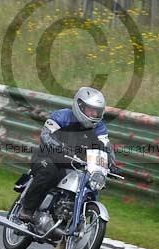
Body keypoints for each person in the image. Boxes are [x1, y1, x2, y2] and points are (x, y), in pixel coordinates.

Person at [18, 87, 115, 222]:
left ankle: (69, 222)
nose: (93, 114)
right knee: (49, 172)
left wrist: (111, 162)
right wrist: (59, 147)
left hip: (73, 164)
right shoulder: (62, 116)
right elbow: (46, 135)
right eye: (90, 110)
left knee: (88, 183)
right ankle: (27, 209)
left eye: (97, 111)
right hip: (47, 157)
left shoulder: (99, 128)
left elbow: (105, 146)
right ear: (79, 106)